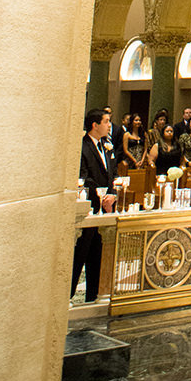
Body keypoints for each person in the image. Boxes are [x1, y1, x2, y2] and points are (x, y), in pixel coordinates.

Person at [72, 108, 117, 303]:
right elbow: (83, 176)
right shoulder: (83, 147)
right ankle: (68, 296)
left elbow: (112, 176)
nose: (109, 125)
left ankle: (94, 296)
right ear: (95, 125)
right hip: (89, 207)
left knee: (98, 255)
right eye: (106, 121)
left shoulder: (107, 146)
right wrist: (100, 196)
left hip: (104, 209)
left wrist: (112, 195)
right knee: (80, 254)